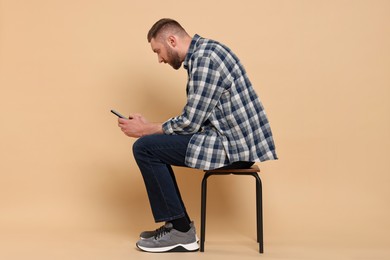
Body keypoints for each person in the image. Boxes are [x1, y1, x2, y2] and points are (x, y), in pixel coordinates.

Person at [117, 18, 277, 253]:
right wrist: (150, 129)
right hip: (232, 140)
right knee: (149, 145)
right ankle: (176, 225)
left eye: (158, 51)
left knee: (144, 147)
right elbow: (198, 118)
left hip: (232, 146)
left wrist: (146, 128)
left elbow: (191, 122)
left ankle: (180, 231)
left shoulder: (205, 60)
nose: (159, 59)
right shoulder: (206, 52)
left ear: (172, 41)